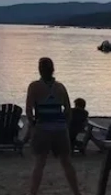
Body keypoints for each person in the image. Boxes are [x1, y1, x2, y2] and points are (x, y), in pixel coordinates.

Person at [25, 57, 82, 195]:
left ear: (40, 70)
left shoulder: (34, 87)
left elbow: (28, 109)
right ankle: (76, 192)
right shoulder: (60, 87)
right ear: (53, 70)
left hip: (43, 127)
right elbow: (68, 110)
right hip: (60, 129)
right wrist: (65, 126)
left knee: (40, 163)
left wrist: (33, 124)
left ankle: (33, 193)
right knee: (66, 162)